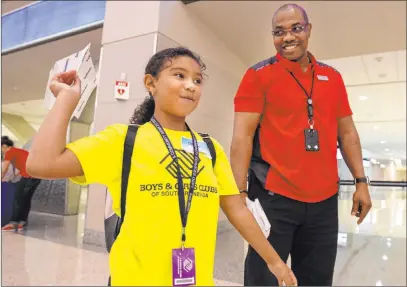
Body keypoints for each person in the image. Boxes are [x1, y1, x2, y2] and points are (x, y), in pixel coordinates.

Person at [26, 47, 297, 286]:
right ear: (150, 83)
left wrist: (274, 261)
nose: (191, 85)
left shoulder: (210, 148)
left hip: (196, 280)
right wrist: (66, 100)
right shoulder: (123, 140)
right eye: (179, 75)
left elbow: (237, 209)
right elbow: (41, 164)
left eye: (197, 80)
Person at [230, 4, 372, 286]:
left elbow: (348, 133)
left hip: (323, 203)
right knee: (263, 279)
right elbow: (242, 137)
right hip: (273, 198)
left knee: (317, 280)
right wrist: (239, 194)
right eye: (279, 32)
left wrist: (361, 182)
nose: (288, 37)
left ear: (308, 30)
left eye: (296, 28)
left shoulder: (332, 77)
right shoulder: (257, 75)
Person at [2, 136, 41, 231]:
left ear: (4, 146)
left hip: (29, 176)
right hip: (36, 176)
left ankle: (13, 223)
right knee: (26, 199)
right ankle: (22, 222)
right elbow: (24, 164)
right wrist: (15, 176)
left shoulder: (9, 152)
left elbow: (5, 168)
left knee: (17, 198)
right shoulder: (20, 151)